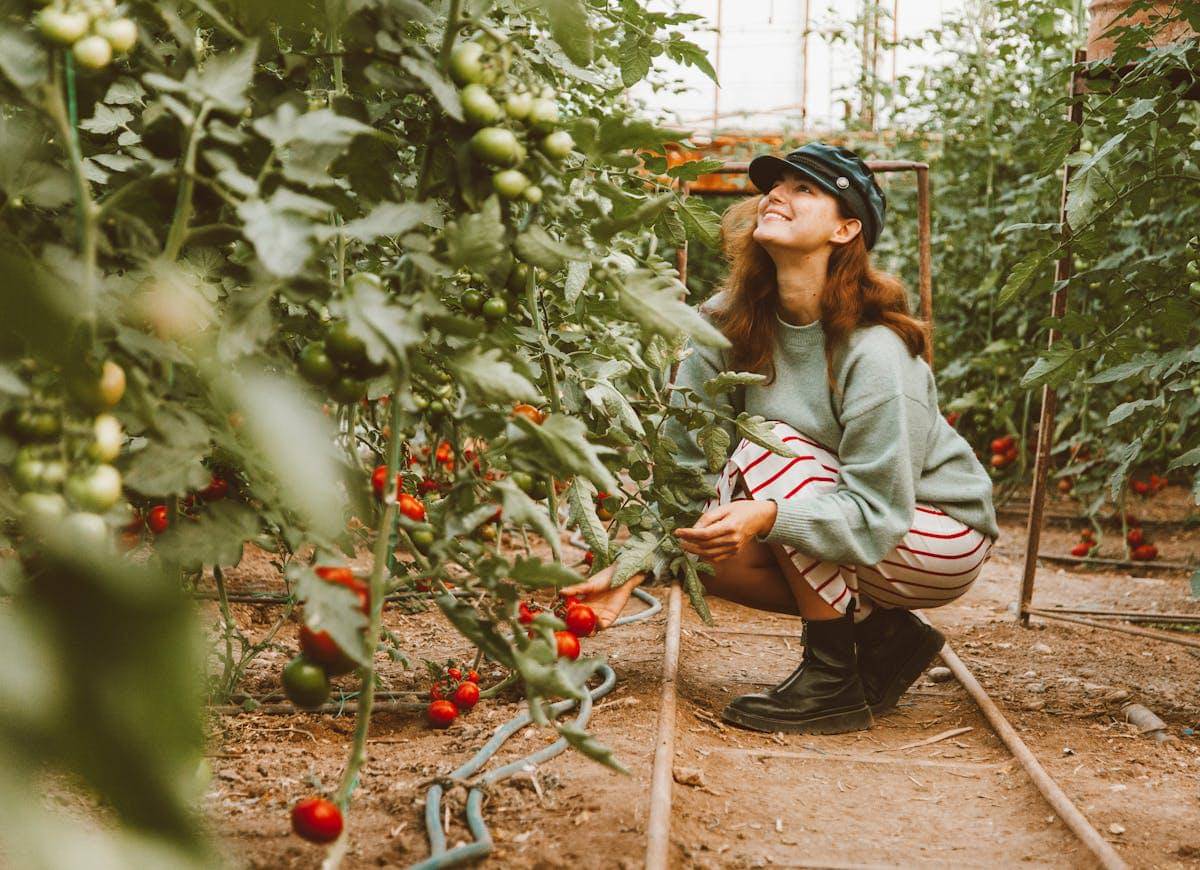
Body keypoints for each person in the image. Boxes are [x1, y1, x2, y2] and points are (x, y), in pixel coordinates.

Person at [560, 142, 999, 735]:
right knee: (704, 546)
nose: (777, 195)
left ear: (846, 230)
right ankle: (883, 638)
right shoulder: (726, 324)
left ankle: (831, 678)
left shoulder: (875, 353)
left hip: (933, 535)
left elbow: (877, 512)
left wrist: (767, 514)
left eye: (805, 190)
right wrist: (632, 568)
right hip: (845, 516)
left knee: (764, 447)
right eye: (775, 186)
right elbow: (684, 468)